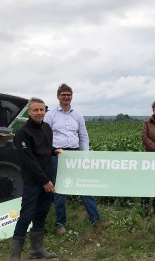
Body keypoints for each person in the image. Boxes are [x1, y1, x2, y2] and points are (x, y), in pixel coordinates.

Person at [44, 83, 111, 235]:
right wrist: (52, 151)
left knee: (84, 186)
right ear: (58, 97)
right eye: (63, 95)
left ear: (72, 96)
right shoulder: (50, 115)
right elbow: (45, 137)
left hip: (75, 155)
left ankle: (96, 220)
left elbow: (84, 136)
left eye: (69, 94)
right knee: (60, 190)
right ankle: (60, 224)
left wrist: (85, 155)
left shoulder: (78, 115)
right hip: (58, 155)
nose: (66, 97)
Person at [9, 97, 60, 261]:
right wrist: (44, 181)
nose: (39, 113)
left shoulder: (46, 128)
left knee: (42, 212)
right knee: (26, 215)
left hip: (48, 179)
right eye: (36, 110)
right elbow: (29, 160)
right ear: (29, 112)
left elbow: (45, 149)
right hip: (34, 181)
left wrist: (54, 150)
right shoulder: (22, 133)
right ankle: (14, 258)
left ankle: (36, 249)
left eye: (42, 110)